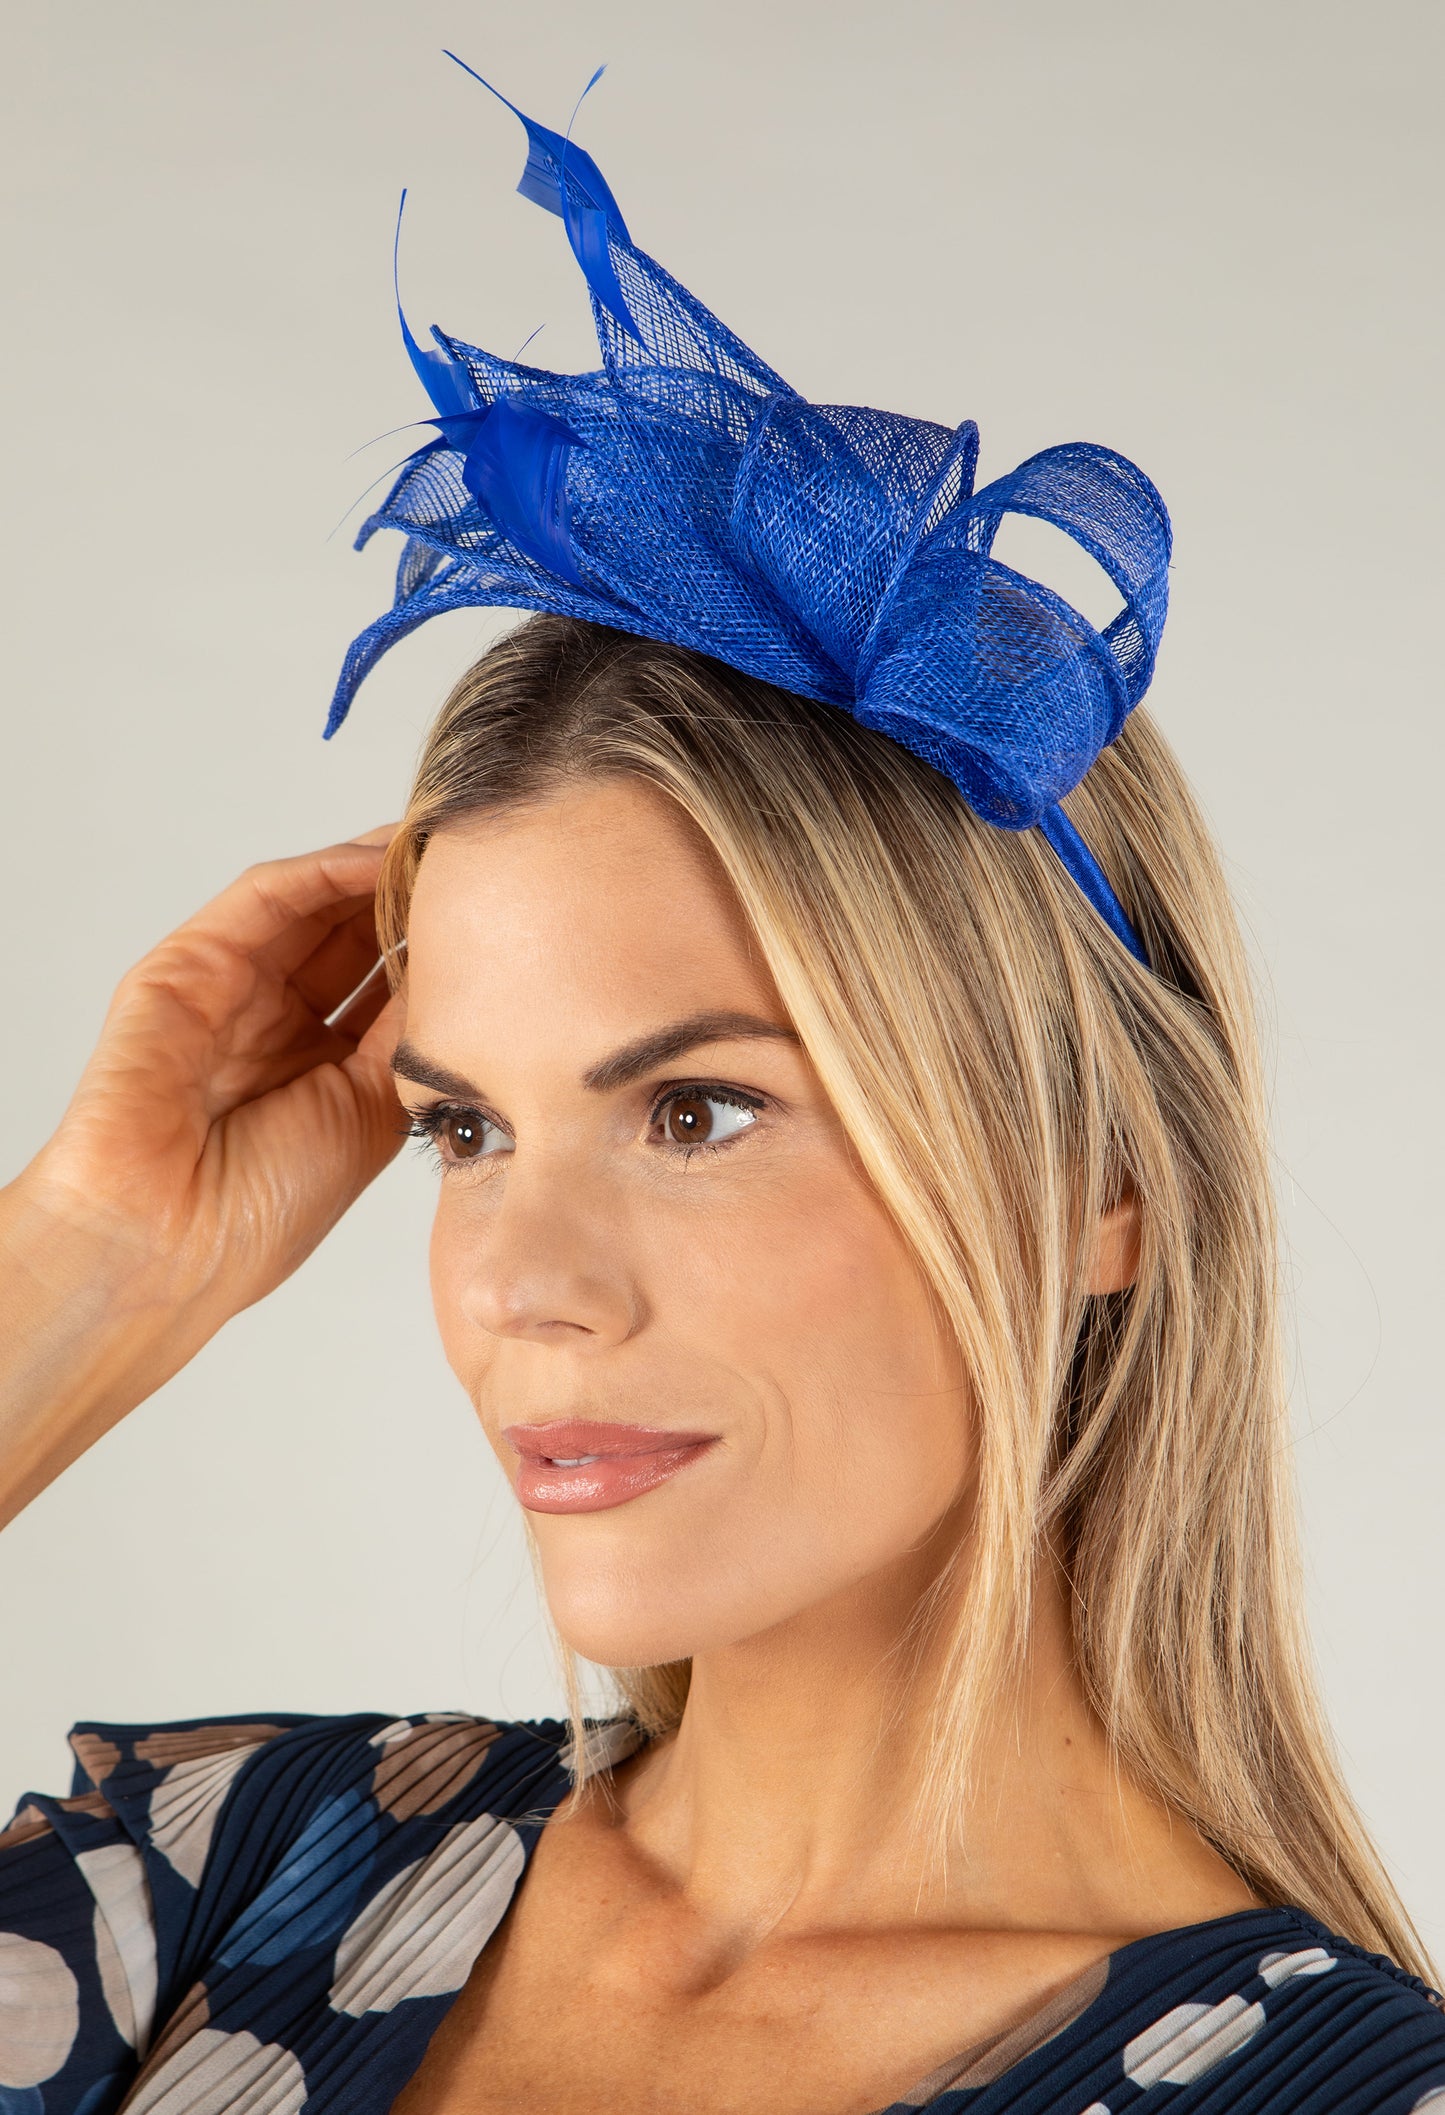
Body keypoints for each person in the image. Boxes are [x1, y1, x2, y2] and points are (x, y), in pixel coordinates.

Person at [1, 74, 1442, 2115]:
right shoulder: (219, 1882)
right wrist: (83, 1266)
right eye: (464, 1128)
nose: (521, 1284)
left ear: (1098, 1182)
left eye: (693, 1112)